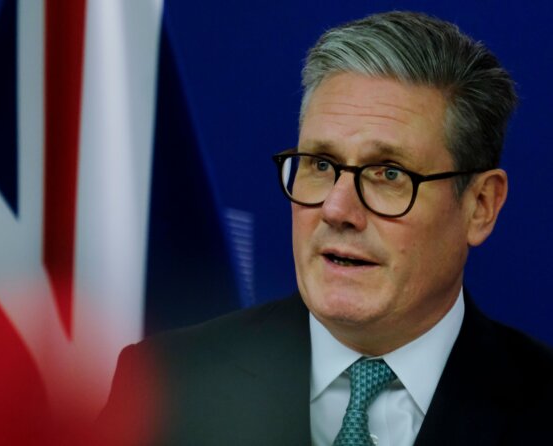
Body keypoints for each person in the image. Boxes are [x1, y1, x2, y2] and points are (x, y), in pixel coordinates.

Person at [100, 11, 553, 445]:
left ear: (480, 206)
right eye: (319, 164)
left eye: (389, 173)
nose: (337, 209)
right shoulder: (165, 387)